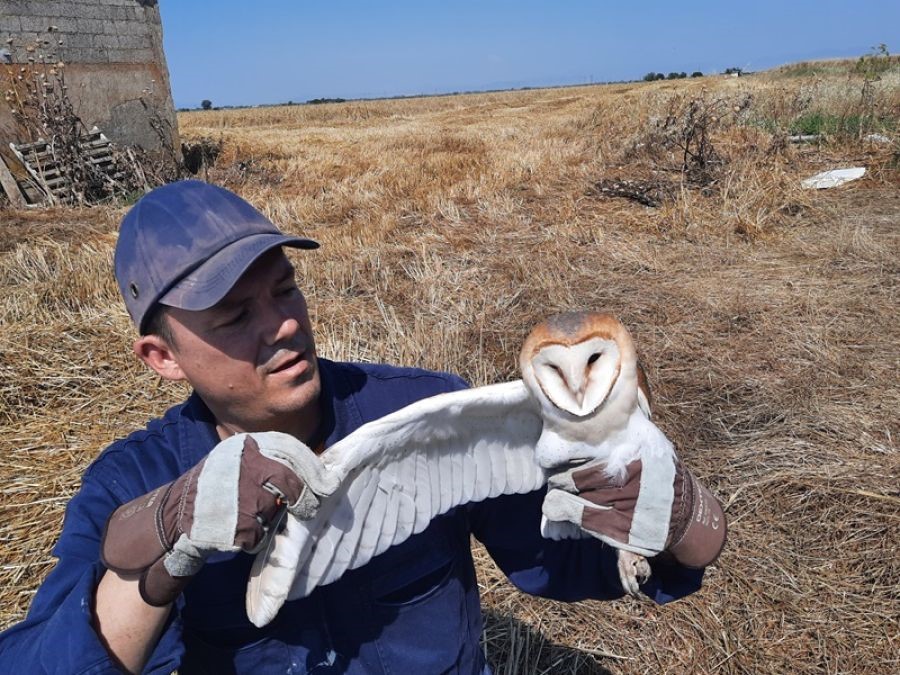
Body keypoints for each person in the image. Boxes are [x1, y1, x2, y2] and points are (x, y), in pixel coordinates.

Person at [0, 180, 725, 674]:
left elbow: (558, 556)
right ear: (161, 357)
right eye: (234, 316)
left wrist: (672, 531)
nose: (282, 323)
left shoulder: (420, 410)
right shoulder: (133, 480)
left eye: (285, 288)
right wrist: (166, 540)